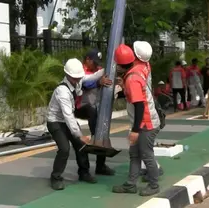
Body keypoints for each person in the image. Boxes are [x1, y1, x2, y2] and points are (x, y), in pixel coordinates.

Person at [46, 58, 112, 190]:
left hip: (66, 120)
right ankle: (56, 177)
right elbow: (68, 116)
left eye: (79, 77)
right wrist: (78, 134)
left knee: (81, 145)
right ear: (68, 75)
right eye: (75, 77)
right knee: (64, 148)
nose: (78, 80)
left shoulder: (77, 80)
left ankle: (84, 173)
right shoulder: (62, 91)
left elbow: (92, 77)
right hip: (55, 122)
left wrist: (111, 66)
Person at [112, 44, 161, 196]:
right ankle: (130, 184)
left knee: (146, 155)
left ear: (121, 65)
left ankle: (154, 185)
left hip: (145, 123)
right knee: (134, 154)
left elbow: (139, 105)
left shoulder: (132, 79)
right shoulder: (143, 66)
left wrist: (135, 130)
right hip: (144, 121)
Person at [74, 49, 116, 180]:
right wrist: (98, 82)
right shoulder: (79, 70)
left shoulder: (96, 70)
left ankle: (100, 166)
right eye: (94, 62)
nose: (96, 65)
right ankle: (94, 137)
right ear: (87, 59)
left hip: (93, 108)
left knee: (102, 132)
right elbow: (84, 83)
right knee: (90, 133)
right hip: (80, 107)